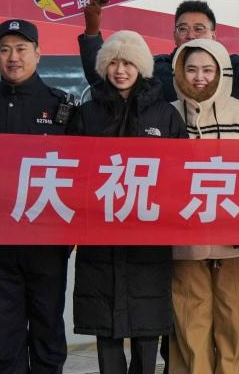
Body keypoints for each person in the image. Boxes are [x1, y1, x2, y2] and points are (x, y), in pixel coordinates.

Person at [66, 30, 187, 374]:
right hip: (100, 244)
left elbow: (181, 175)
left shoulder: (165, 116)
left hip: (148, 244)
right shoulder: (86, 114)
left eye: (129, 63)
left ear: (142, 67)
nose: (120, 70)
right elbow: (71, 173)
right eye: (114, 63)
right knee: (106, 331)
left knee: (147, 331)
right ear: (104, 66)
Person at [168, 39, 239, 374]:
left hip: (235, 240)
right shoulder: (169, 113)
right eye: (191, 69)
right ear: (179, 72)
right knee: (188, 322)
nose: (199, 77)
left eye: (208, 70)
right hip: (185, 241)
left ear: (222, 72)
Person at [0, 19, 74, 374]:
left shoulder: (62, 108)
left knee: (47, 329)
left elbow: (81, 175)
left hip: (46, 244)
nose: (13, 57)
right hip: (1, 247)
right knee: (4, 336)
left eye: (21, 49)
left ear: (38, 53)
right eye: (4, 50)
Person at [79, 0, 239, 102]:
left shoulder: (230, 70)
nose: (190, 36)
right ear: (175, 36)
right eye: (183, 29)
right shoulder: (156, 71)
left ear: (213, 35)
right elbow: (105, 82)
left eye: (199, 29)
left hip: (218, 158)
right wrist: (92, 31)